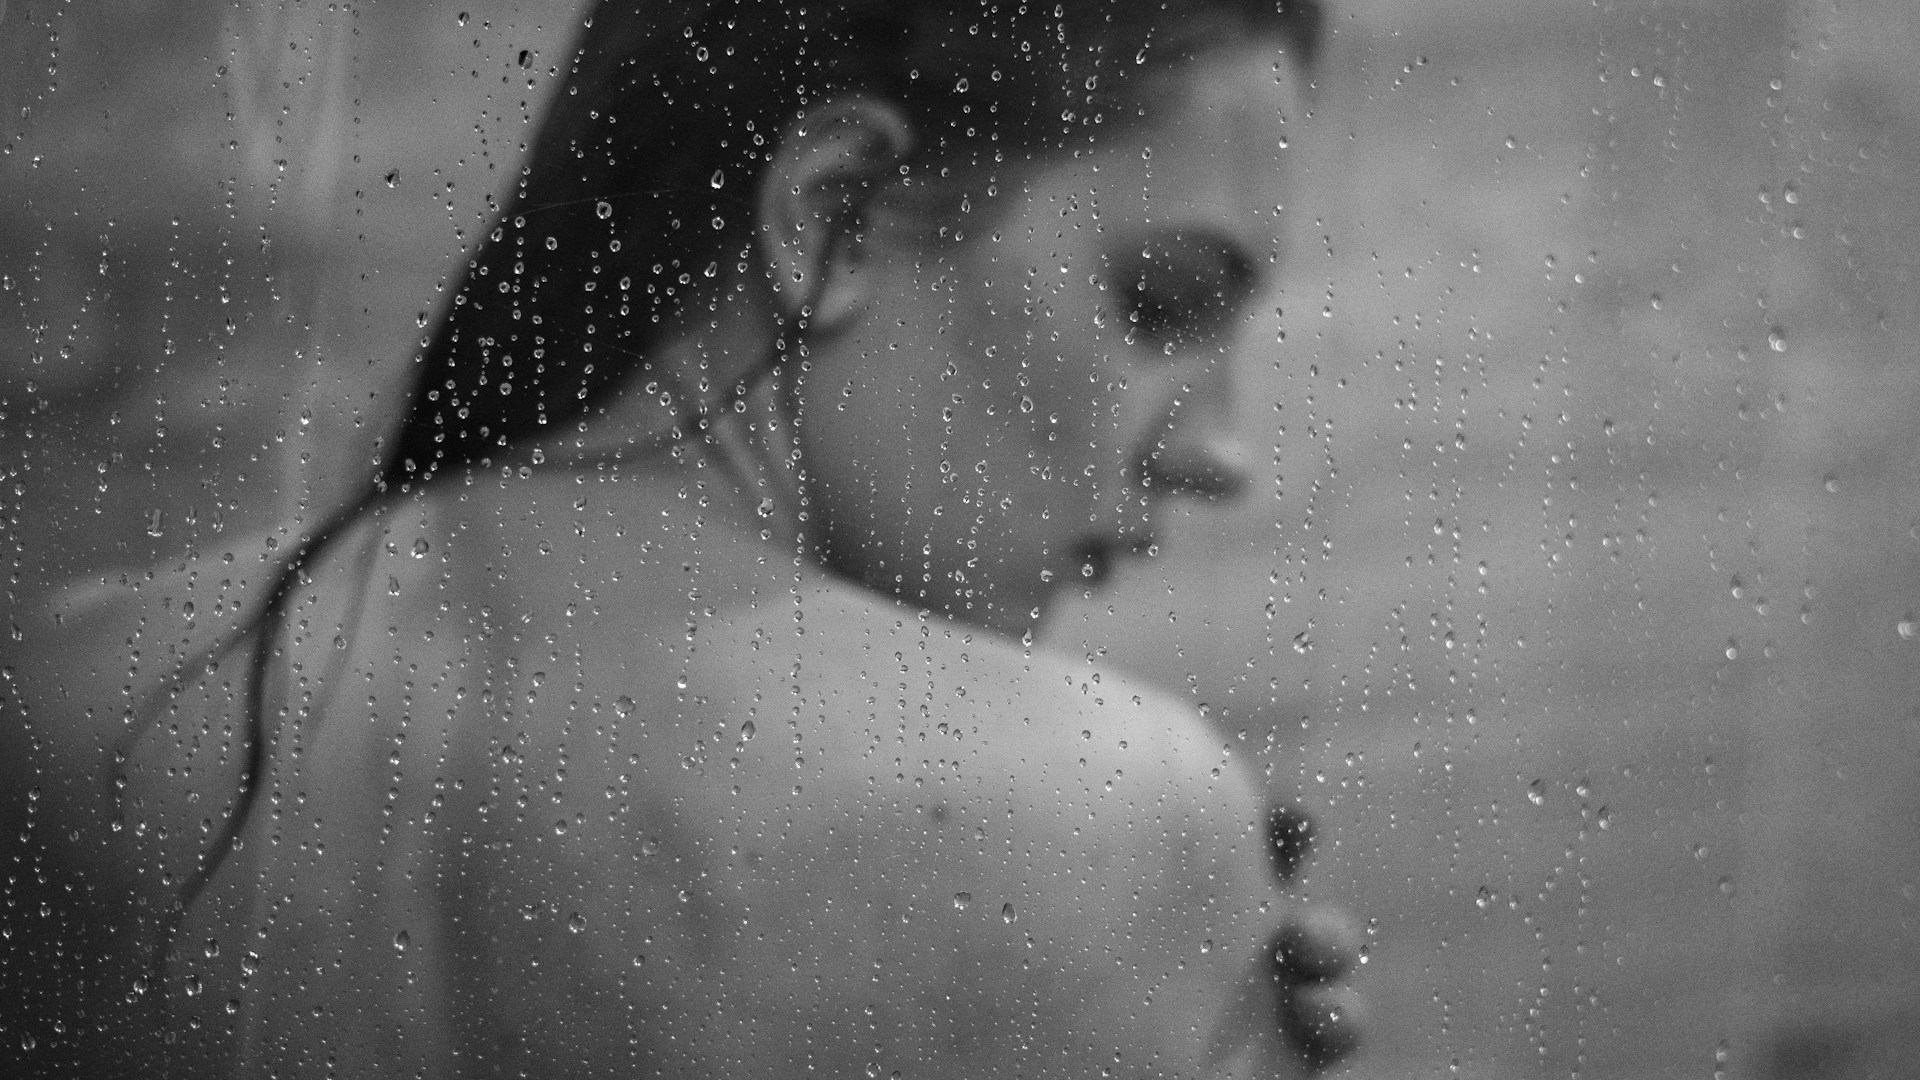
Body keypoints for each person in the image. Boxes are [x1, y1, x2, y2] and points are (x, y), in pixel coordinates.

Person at [30, 1, 1367, 1075]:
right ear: (833, 215)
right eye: (1166, 299)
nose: (1221, 449)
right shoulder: (1092, 809)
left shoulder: (68, 697)